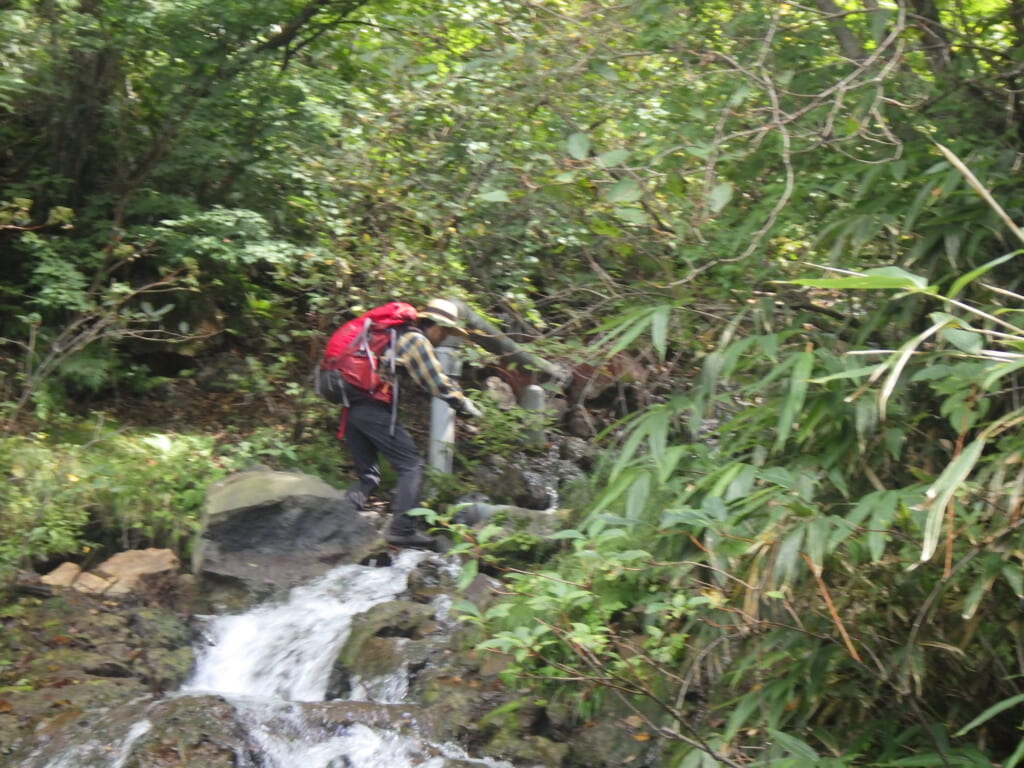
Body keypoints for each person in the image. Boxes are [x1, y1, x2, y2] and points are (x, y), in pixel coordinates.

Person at [342, 297, 483, 548]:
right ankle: (402, 529)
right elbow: (435, 380)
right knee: (412, 466)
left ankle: (337, 520)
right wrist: (464, 404)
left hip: (352, 407)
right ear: (437, 326)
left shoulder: (390, 335)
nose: (445, 337)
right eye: (447, 331)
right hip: (373, 409)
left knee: (369, 477)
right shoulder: (415, 339)